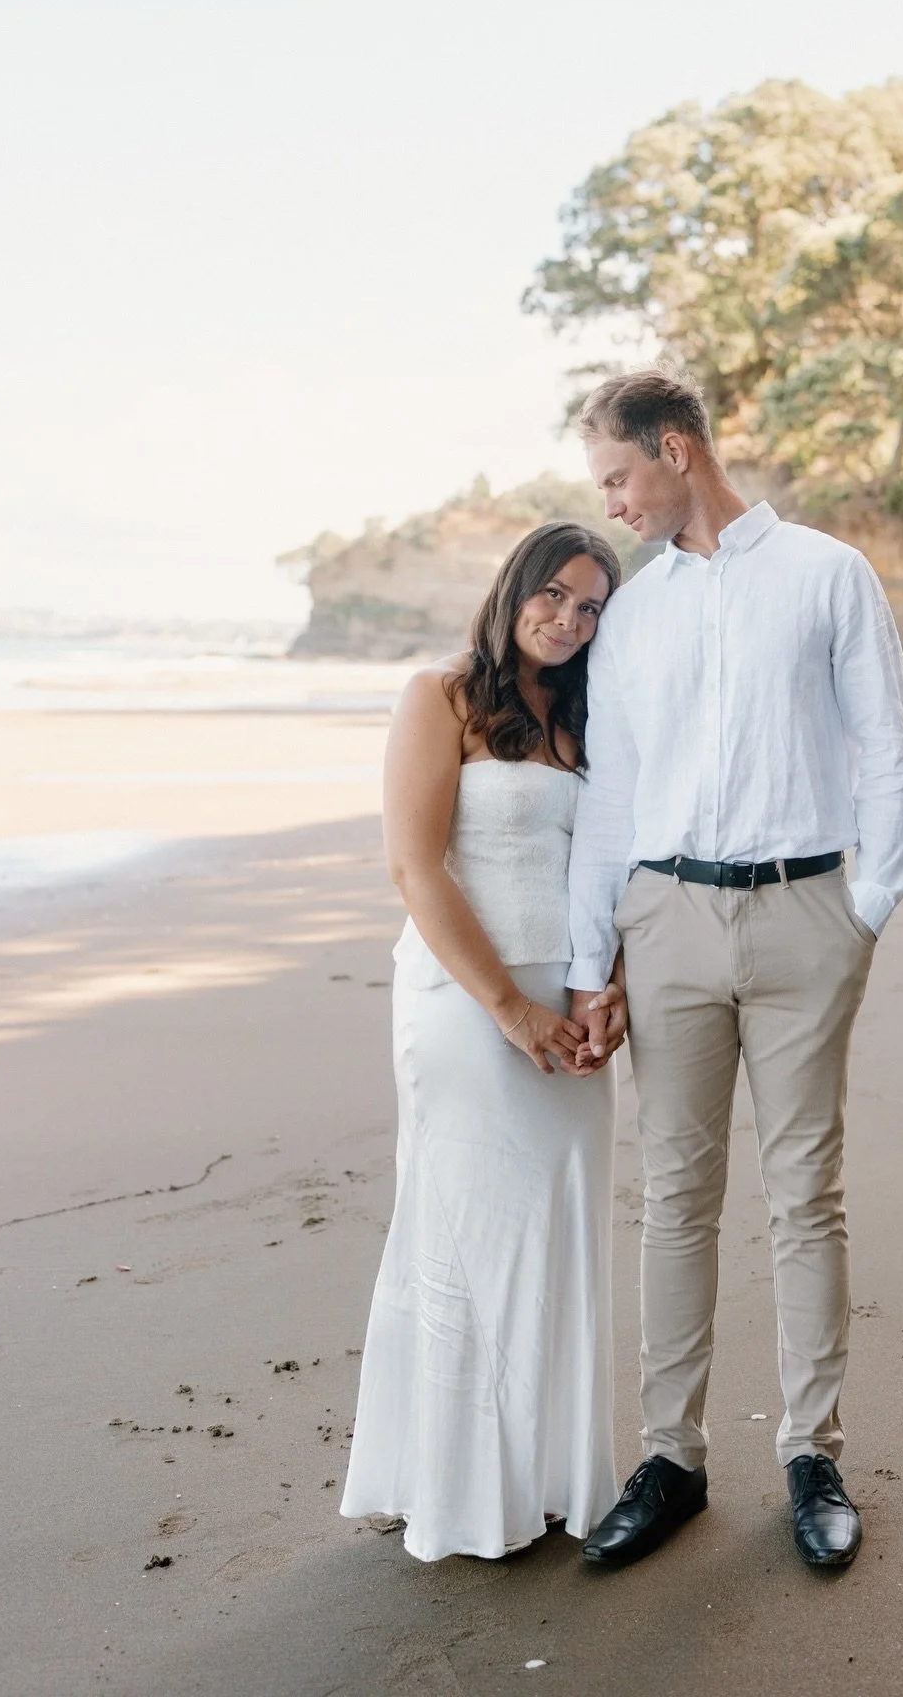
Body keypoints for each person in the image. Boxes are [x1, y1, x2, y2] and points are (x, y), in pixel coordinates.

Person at [567, 365, 903, 1570]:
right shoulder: (636, 614)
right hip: (665, 919)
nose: (611, 503)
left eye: (619, 475)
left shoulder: (828, 574)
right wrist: (590, 955)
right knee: (675, 1193)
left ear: (677, 448)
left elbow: (888, 749)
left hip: (804, 916)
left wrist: (861, 909)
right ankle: (673, 1459)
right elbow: (610, 797)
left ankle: (811, 1451)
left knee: (804, 1189)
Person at [341, 521, 629, 1561]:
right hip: (468, 1002)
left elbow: (615, 869)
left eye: (592, 605)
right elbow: (418, 871)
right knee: (470, 1234)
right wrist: (513, 1011)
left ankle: (551, 1477)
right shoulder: (443, 697)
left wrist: (611, 992)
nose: (568, 619)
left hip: (573, 1010)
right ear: (515, 590)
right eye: (554, 594)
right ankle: (460, 1492)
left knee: (561, 1232)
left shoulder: (595, 717)